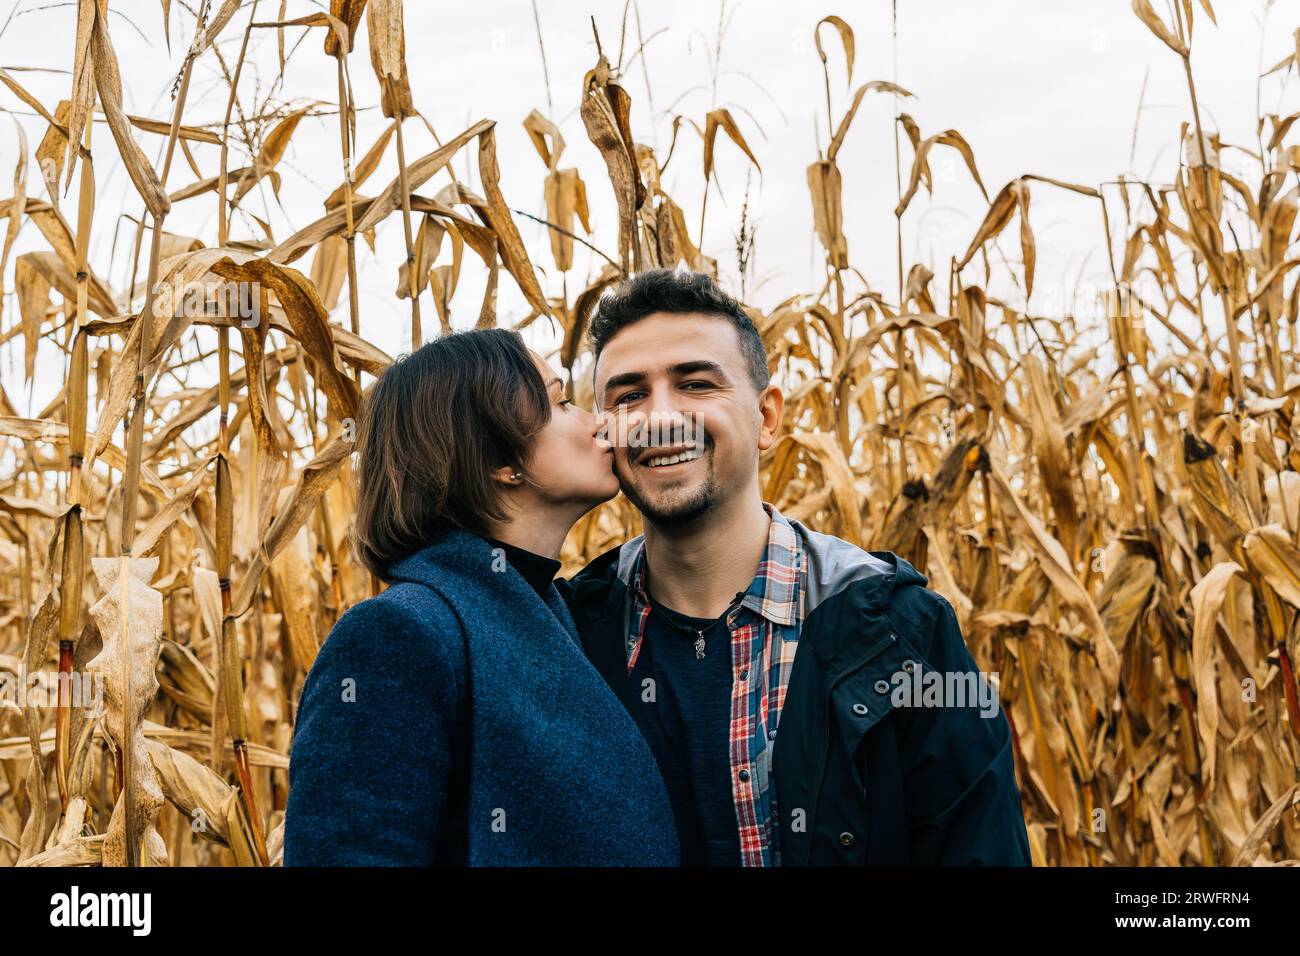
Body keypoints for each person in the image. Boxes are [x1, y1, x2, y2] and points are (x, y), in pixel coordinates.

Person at [560, 268, 1032, 866]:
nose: (659, 416)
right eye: (628, 396)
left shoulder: (901, 631)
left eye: (696, 384)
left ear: (768, 417)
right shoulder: (569, 634)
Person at [284, 328, 679, 866]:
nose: (599, 421)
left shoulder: (560, 618)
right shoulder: (397, 636)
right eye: (561, 402)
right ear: (500, 458)